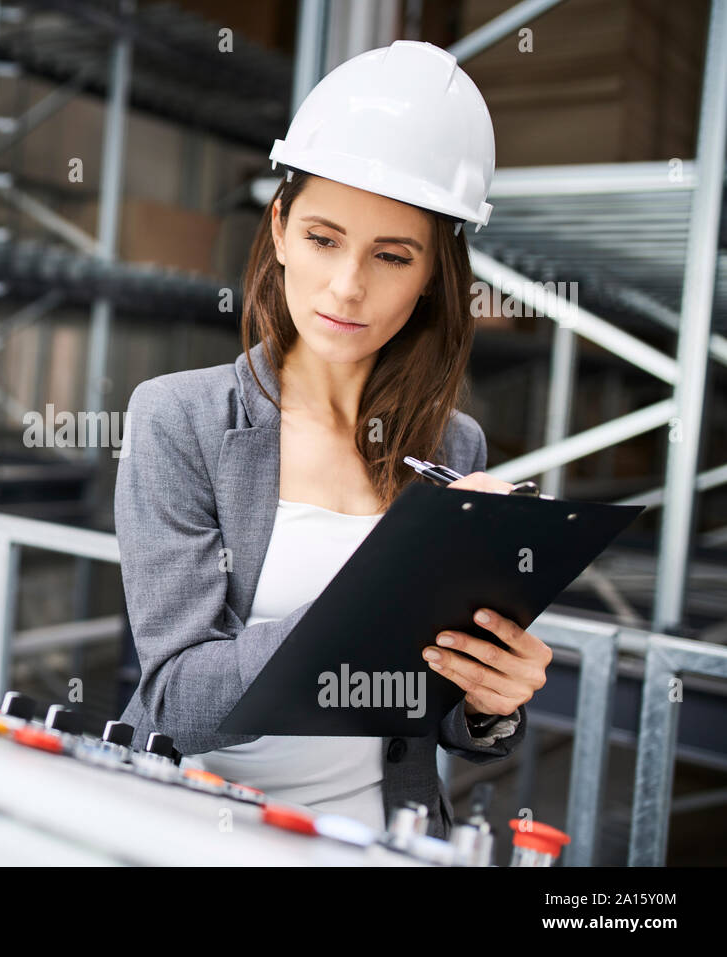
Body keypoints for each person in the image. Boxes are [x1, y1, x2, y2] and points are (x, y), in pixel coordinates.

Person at [114, 41, 551, 839]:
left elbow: (426, 704)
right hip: (198, 830)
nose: (348, 285)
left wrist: (491, 699)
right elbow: (177, 700)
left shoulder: (456, 444)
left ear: (430, 278)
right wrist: (392, 581)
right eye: (323, 238)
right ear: (279, 230)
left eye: (392, 256)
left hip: (378, 836)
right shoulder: (179, 420)